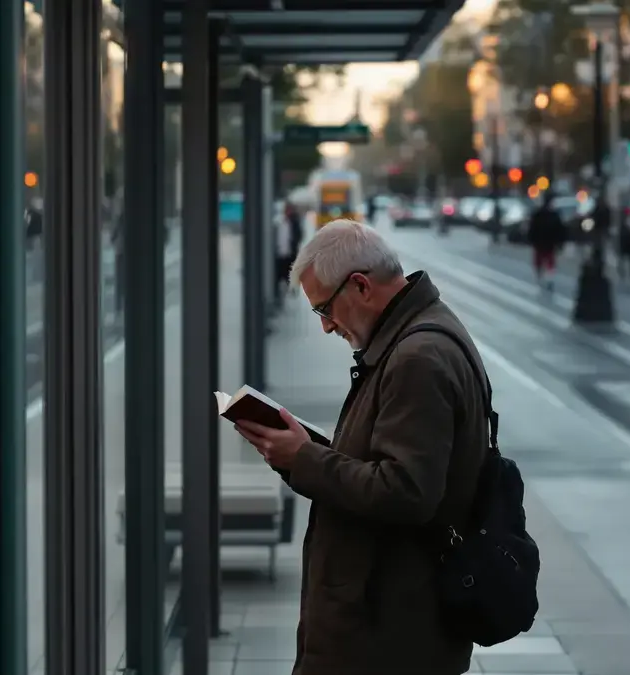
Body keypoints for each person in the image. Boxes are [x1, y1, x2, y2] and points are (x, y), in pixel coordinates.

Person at [233, 219, 490, 675]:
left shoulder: (417, 357)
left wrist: (304, 457)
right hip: (390, 619)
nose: (326, 326)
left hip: (385, 632)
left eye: (325, 309)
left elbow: (406, 490)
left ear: (361, 286)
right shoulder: (420, 335)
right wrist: (300, 453)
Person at [527, 192, 567, 291]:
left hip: (540, 242)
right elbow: (560, 230)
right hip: (550, 243)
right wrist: (560, 243)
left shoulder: (538, 214)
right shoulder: (554, 215)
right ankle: (549, 279)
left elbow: (532, 228)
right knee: (550, 262)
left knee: (539, 261)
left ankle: (541, 277)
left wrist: (531, 240)